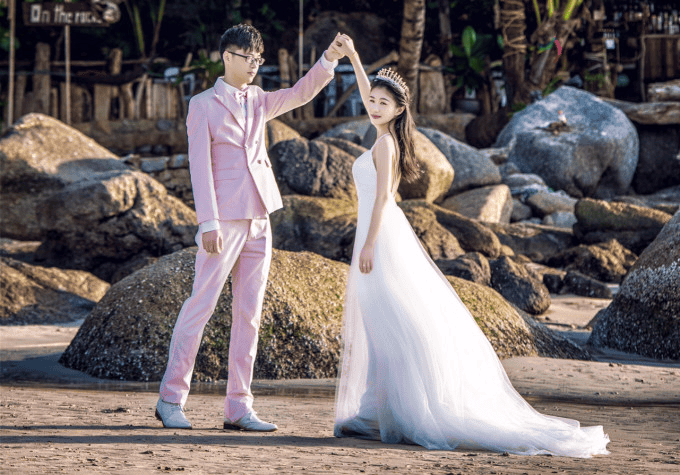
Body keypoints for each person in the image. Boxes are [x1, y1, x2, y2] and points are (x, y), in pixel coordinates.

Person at [333, 37, 610, 457]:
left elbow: (384, 199)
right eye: (371, 101)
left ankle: (394, 411)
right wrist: (354, 57)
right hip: (382, 234)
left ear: (399, 110)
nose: (373, 107)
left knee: (390, 321)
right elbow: (367, 91)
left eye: (383, 104)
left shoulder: (387, 144)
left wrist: (368, 245)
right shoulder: (382, 133)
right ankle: (378, 410)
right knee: (382, 323)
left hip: (381, 236)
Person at [156, 23, 346, 432]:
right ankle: (170, 399)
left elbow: (300, 93)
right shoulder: (202, 105)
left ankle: (238, 407)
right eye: (248, 58)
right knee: (201, 306)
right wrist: (208, 222)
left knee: (251, 314)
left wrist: (329, 58)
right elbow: (199, 166)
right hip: (223, 219)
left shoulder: (259, 99)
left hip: (261, 215)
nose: (255, 65)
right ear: (227, 57)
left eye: (259, 59)